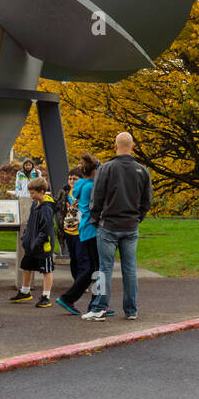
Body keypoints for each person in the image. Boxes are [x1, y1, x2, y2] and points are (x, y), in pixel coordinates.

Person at [83, 133, 152, 321]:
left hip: (108, 225)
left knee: (104, 268)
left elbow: (96, 198)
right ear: (133, 146)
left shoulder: (106, 168)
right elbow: (147, 201)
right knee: (129, 269)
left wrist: (95, 220)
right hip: (130, 225)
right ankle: (131, 309)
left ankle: (99, 307)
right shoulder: (142, 171)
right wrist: (137, 218)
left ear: (115, 145)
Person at [55, 155, 100, 315]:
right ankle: (92, 303)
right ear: (95, 170)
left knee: (93, 268)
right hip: (93, 230)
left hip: (84, 229)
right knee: (97, 269)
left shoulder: (80, 185)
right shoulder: (92, 186)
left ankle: (91, 302)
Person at [10, 178, 56, 306]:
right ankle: (25, 292)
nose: (31, 195)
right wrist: (26, 237)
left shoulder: (46, 208)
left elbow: (46, 228)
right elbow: (30, 223)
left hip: (43, 246)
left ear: (42, 191)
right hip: (31, 244)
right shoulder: (34, 204)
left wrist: (37, 242)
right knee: (26, 266)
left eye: (33, 193)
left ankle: (46, 296)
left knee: (46, 270)